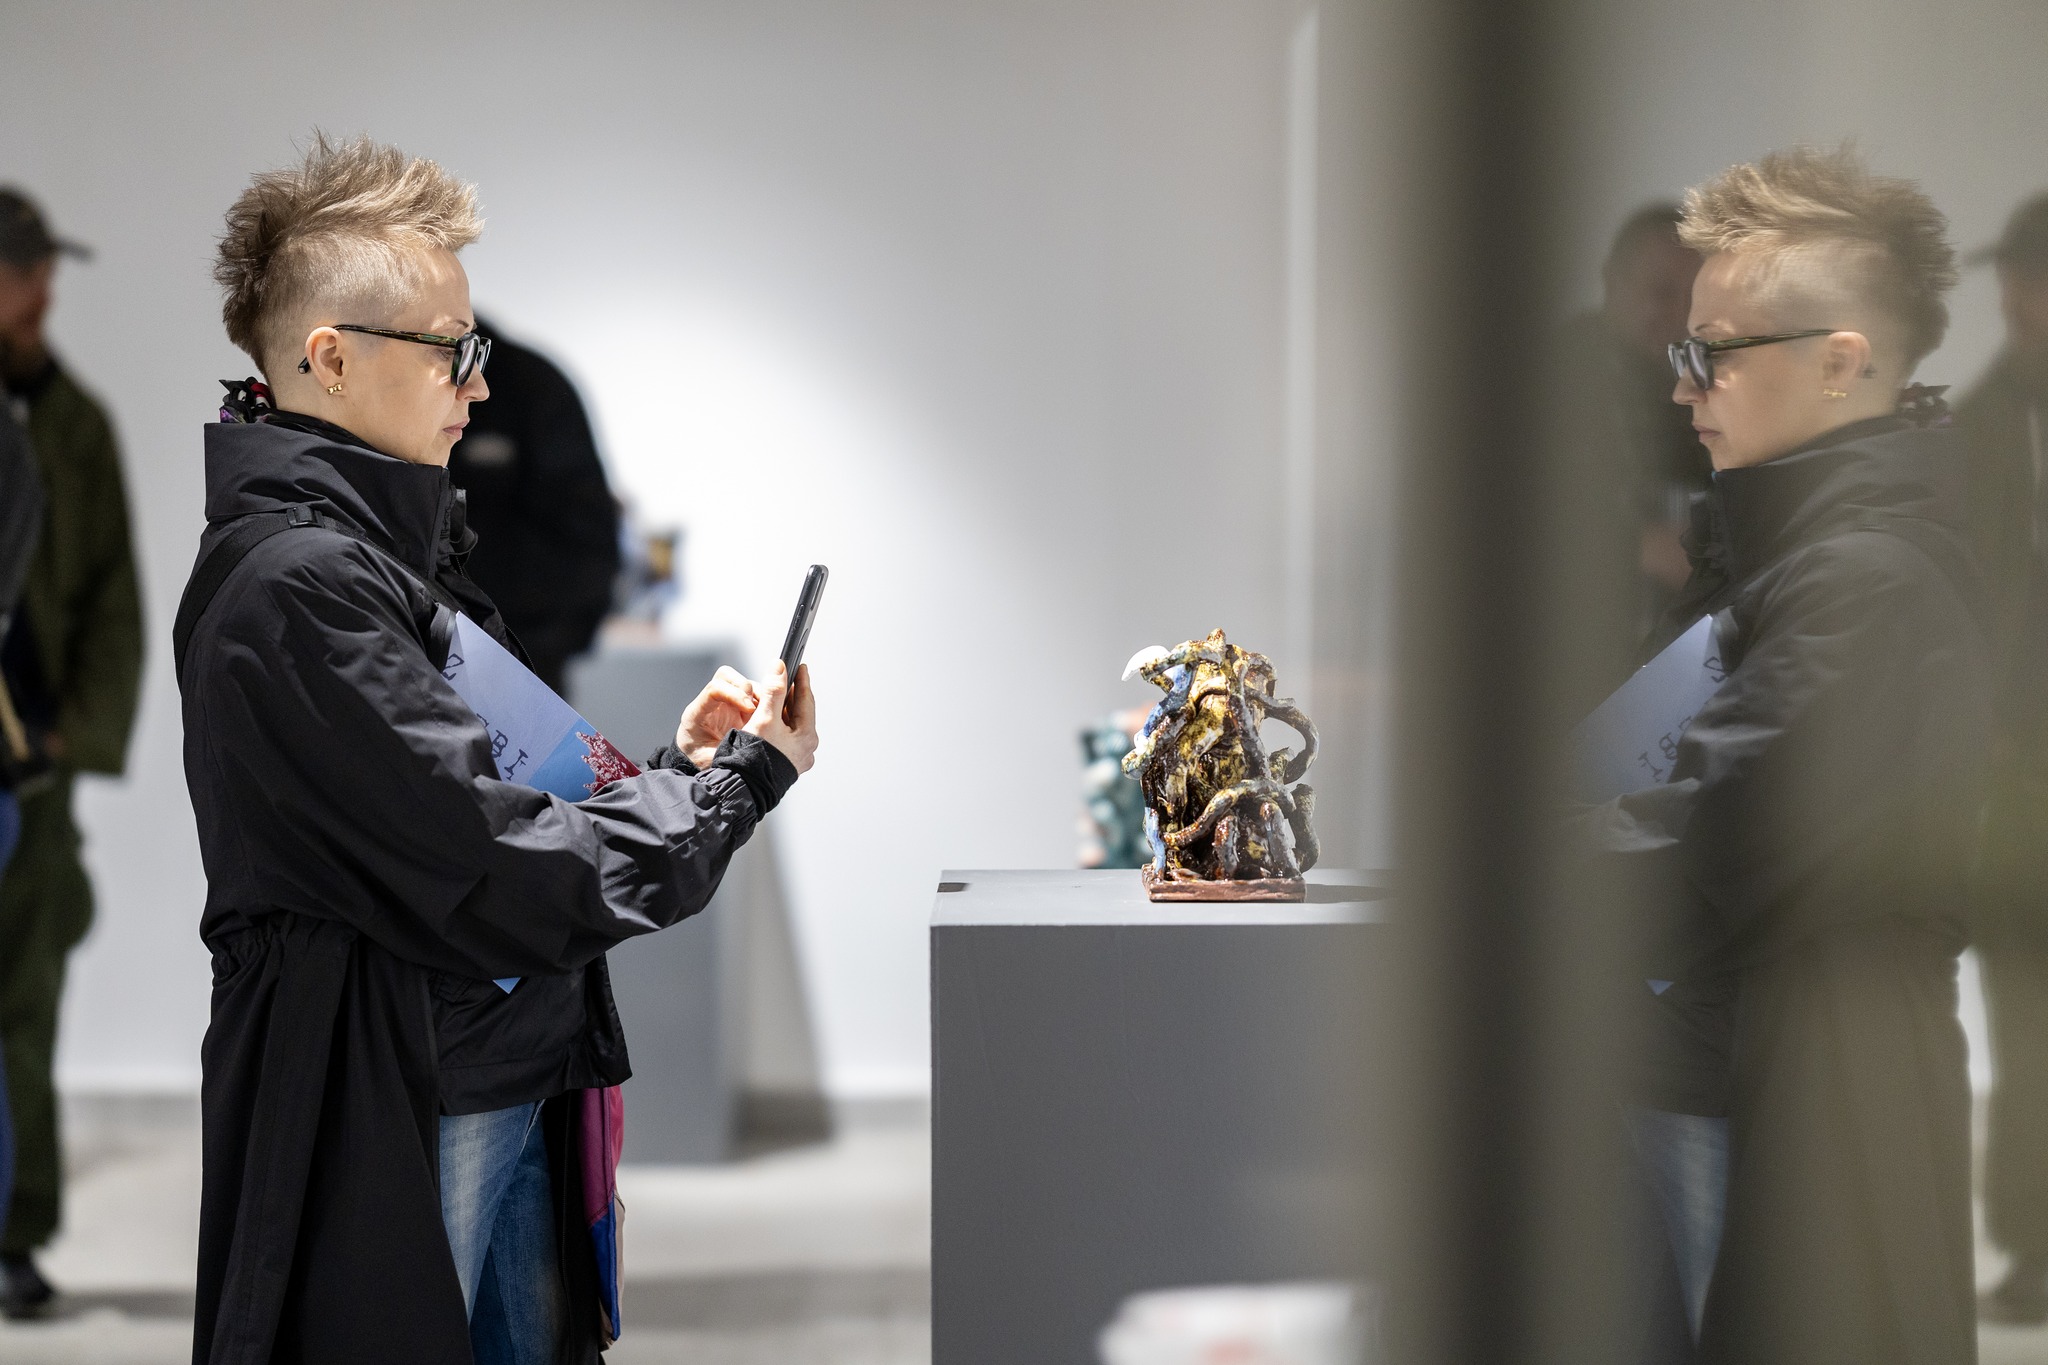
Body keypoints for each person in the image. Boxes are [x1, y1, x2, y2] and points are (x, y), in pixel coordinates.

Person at [186, 135, 818, 1364]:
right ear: (330, 357)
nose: (477, 390)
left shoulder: (381, 557)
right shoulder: (301, 588)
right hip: (416, 1072)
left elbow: (483, 798)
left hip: (494, 1050)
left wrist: (680, 773)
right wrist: (733, 791)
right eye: (451, 352)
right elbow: (486, 855)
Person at [1581, 146, 1988, 1364]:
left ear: (1838, 362)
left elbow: (1721, 832)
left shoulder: (1866, 583)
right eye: (1680, 350)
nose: (1682, 388)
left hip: (1774, 1090)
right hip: (1709, 1064)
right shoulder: (1789, 552)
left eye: (1712, 353)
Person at [0, 187, 144, 1319]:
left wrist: (65, 737)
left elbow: (113, 605)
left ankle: (14, 1234)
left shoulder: (76, 426)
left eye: (44, 268)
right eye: (21, 270)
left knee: (23, 1007)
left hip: (27, 778)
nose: (41, 291)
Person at [1958, 191, 2048, 1324]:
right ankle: (2034, 1244)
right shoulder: (1981, 428)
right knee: (2025, 1008)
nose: (2014, 299)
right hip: (2016, 771)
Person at [1556, 204, 1710, 697]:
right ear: (1612, 281)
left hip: (1658, 676)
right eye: (1661, 292)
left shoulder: (1690, 386)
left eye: (1693, 298)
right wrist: (1642, 545)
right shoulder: (1550, 380)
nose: (1680, 315)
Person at [449, 317, 620, 692]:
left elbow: (590, 533)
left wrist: (538, 648)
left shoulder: (526, 383)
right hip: (411, 645)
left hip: (521, 655)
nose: (475, 390)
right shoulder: (392, 384)